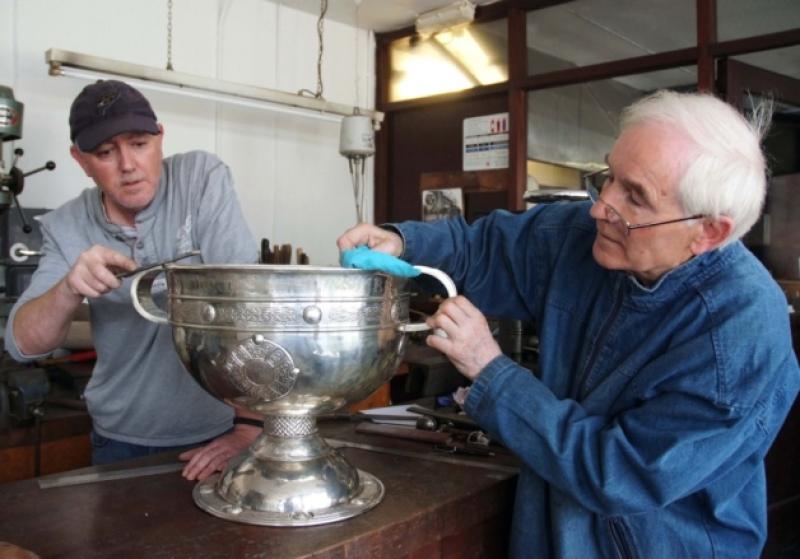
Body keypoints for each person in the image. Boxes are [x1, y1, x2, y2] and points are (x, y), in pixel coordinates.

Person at [338, 90, 800, 558]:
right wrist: (402, 242)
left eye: (634, 197)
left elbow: (619, 474)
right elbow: (483, 248)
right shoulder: (582, 235)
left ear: (709, 231)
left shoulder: (738, 333)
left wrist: (490, 370)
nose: (601, 208)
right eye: (609, 177)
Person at [4, 80, 262, 481]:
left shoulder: (199, 179)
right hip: (118, 439)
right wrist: (70, 288)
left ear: (160, 138)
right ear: (80, 159)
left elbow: (246, 305)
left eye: (139, 144)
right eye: (105, 152)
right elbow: (22, 345)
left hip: (217, 432)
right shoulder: (67, 225)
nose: (127, 165)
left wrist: (249, 426)